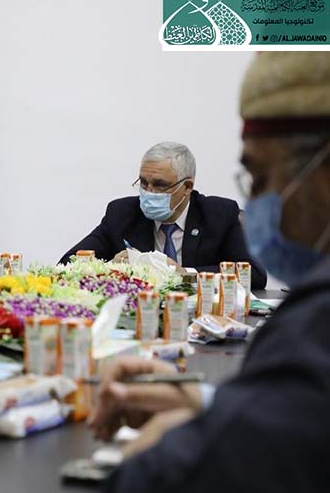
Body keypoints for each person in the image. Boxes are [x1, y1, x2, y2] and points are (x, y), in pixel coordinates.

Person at [90, 52, 330, 492]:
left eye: (260, 178)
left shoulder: (315, 317)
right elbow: (295, 413)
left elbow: (246, 449)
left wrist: (138, 459)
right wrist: (203, 399)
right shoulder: (122, 213)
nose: (256, 202)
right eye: (144, 183)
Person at [59, 141, 267, 290]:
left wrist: (185, 274)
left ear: (187, 187)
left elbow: (255, 275)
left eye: (160, 185)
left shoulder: (219, 214)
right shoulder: (121, 213)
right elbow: (67, 264)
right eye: (143, 183)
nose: (149, 192)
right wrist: (109, 268)